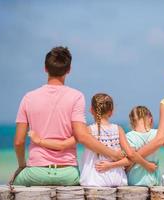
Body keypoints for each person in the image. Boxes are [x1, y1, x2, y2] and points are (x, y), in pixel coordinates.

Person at [12, 46, 123, 186]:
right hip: (68, 173)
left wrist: (22, 166)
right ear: (69, 69)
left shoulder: (28, 98)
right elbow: (82, 136)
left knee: (12, 184)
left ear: (45, 68)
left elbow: (19, 142)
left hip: (36, 171)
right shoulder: (76, 97)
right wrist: (112, 154)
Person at [28, 94, 156, 186]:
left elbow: (63, 145)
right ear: (111, 112)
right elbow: (131, 155)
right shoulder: (119, 129)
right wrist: (147, 165)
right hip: (118, 179)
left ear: (91, 110)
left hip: (94, 180)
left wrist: (39, 141)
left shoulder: (88, 130)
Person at [95, 106, 164, 186]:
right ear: (150, 119)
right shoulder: (157, 134)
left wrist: (110, 165)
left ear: (132, 121)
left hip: (134, 182)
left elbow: (128, 160)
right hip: (153, 182)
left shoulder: (129, 137)